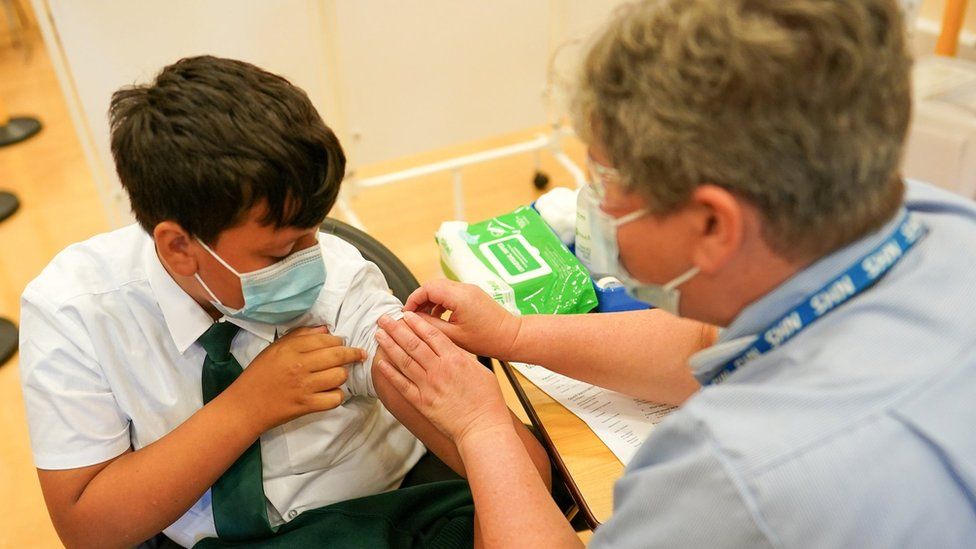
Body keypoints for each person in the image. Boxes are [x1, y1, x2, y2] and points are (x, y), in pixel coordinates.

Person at [373, 0, 976, 547]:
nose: (594, 207)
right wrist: (515, 336)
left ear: (714, 224)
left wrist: (482, 429)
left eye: (606, 184)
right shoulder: (934, 218)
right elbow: (709, 344)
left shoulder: (735, 478)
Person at [19, 56, 549, 548]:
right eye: (281, 250)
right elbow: (87, 527)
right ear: (179, 247)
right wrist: (246, 409)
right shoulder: (74, 314)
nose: (311, 261)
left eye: (313, 233)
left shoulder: (339, 282)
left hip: (383, 508)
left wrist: (466, 407)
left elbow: (516, 472)